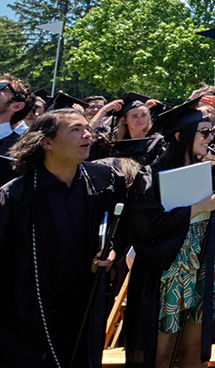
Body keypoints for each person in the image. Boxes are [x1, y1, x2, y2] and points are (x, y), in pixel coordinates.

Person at [123, 93, 215, 368]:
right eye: (203, 132)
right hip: (169, 273)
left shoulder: (213, 170)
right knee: (161, 354)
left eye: (211, 131)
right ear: (180, 136)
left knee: (194, 352)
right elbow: (145, 227)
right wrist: (198, 207)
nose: (210, 138)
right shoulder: (151, 175)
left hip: (202, 266)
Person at [0, 109, 129, 368]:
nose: (88, 135)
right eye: (75, 130)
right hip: (31, 312)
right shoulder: (16, 195)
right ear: (47, 143)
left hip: (85, 303)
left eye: (87, 129)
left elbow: (120, 230)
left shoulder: (104, 182)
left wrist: (111, 251)